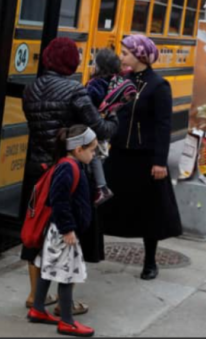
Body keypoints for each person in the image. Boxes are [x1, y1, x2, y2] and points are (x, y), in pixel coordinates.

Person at [21, 37, 119, 313]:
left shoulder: (30, 89)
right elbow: (99, 129)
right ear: (70, 62)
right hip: (70, 171)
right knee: (71, 235)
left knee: (37, 231)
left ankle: (34, 295)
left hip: (38, 170)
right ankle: (66, 303)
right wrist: (114, 116)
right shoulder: (75, 91)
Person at [98, 35, 182, 280]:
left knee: (149, 211)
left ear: (140, 56)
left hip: (145, 158)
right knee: (103, 204)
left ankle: (149, 261)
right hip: (119, 153)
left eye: (126, 53)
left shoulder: (159, 85)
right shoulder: (120, 80)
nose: (121, 56)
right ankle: (93, 248)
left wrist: (159, 161)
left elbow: (163, 126)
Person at [27, 125, 97, 338]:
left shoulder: (68, 164)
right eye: (92, 150)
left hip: (57, 231)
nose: (94, 154)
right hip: (63, 232)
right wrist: (68, 229)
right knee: (67, 274)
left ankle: (38, 308)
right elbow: (59, 201)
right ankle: (67, 321)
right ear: (78, 149)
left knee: (48, 268)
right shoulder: (69, 168)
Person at [85, 49, 138, 206]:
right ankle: (99, 187)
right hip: (108, 127)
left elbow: (87, 104)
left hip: (93, 128)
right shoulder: (116, 83)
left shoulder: (95, 84)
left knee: (92, 157)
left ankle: (101, 188)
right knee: (99, 157)